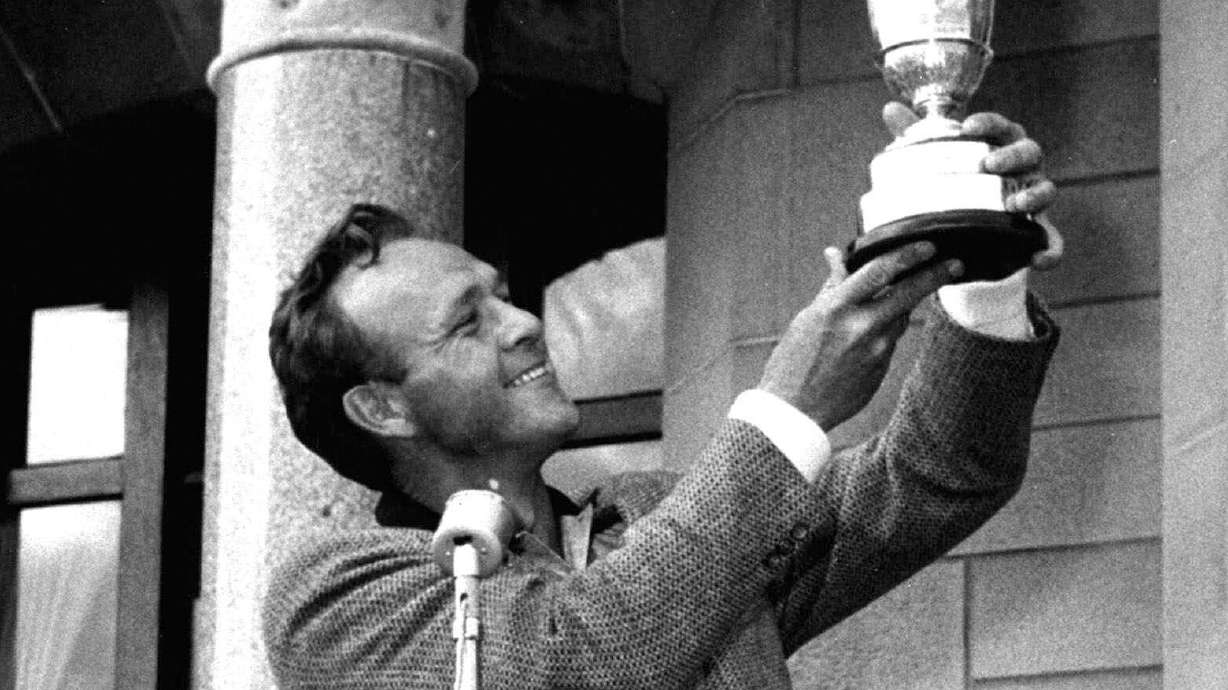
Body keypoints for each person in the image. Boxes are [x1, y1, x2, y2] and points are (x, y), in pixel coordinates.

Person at [262, 105, 1061, 689]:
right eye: (467, 323)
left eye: (501, 296)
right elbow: (578, 654)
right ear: (382, 408)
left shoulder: (651, 520)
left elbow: (936, 474)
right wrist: (785, 412)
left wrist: (978, 275)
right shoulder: (338, 598)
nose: (523, 324)